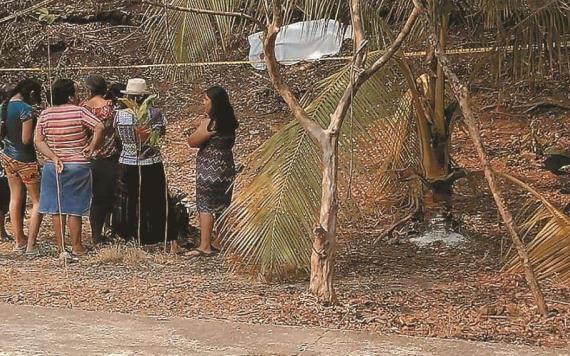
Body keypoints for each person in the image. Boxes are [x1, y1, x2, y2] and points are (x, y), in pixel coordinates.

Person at [34, 79, 104, 256]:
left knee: (57, 208)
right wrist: (91, 146)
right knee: (74, 208)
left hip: (53, 166)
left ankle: (61, 247)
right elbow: (99, 126)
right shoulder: (79, 111)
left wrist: (53, 156)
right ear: (70, 96)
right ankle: (77, 246)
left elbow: (38, 140)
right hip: (77, 164)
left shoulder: (45, 114)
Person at [113, 78, 177, 246]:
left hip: (127, 161)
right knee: (154, 198)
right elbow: (161, 135)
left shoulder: (119, 116)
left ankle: (128, 234)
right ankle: (155, 235)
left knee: (128, 199)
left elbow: (118, 138)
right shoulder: (156, 114)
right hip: (151, 162)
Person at [187, 86, 238, 257]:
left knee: (205, 205)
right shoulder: (229, 122)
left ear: (214, 102)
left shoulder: (209, 123)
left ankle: (205, 245)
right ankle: (220, 241)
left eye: (206, 99)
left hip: (208, 169)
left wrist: (201, 126)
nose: (203, 102)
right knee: (223, 204)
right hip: (226, 167)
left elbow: (193, 141)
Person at [0, 79, 43, 254]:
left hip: (8, 157)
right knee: (37, 201)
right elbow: (26, 140)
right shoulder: (26, 109)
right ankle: (31, 242)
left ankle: (19, 240)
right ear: (31, 94)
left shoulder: (4, 106)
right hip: (25, 159)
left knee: (15, 198)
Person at [80, 75, 119, 245]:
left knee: (95, 200)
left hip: (89, 157)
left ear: (89, 90)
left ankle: (96, 235)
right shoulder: (111, 107)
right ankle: (108, 231)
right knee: (108, 197)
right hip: (110, 157)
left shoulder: (82, 108)